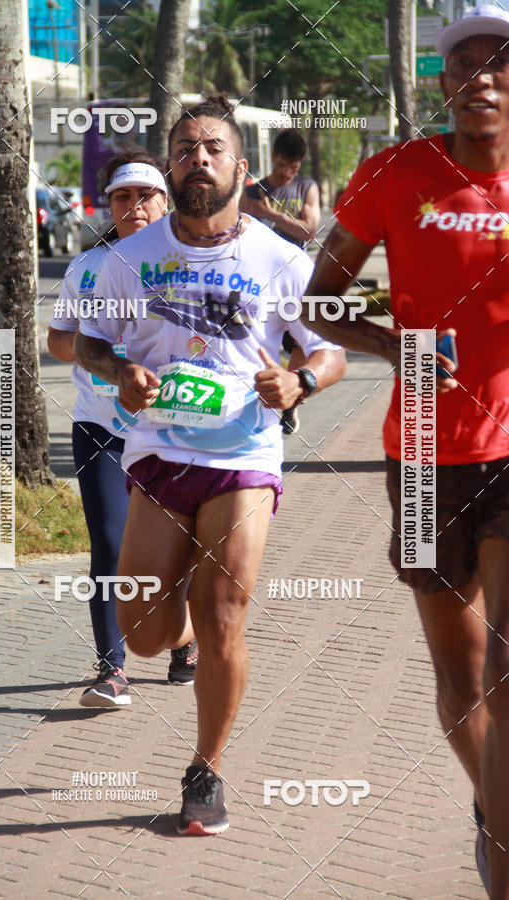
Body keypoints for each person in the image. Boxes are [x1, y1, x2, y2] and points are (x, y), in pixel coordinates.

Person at [76, 95, 346, 834]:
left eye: (214, 148)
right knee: (145, 633)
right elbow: (82, 342)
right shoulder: (130, 257)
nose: (200, 157)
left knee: (225, 610)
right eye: (187, 147)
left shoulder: (282, 259)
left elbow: (331, 349)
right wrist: (118, 371)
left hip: (245, 453)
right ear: (172, 164)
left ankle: (206, 772)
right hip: (159, 452)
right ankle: (179, 632)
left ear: (241, 167)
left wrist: (301, 381)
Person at [300, 7, 509, 895]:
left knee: (504, 671)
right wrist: (401, 347)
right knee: (461, 681)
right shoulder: (395, 174)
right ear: (443, 83)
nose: (483, 79)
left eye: (500, 62)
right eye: (464, 65)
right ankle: (492, 810)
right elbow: (321, 300)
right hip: (421, 451)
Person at [47, 148, 198, 709]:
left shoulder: (193, 261)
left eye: (146, 195)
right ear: (108, 205)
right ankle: (112, 669)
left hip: (176, 431)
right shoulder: (87, 268)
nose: (134, 205)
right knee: (109, 546)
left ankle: (182, 640)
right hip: (101, 427)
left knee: (178, 552)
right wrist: (97, 352)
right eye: (122, 196)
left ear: (166, 199)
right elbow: (59, 340)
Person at [239, 129, 321, 436]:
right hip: (258, 282)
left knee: (303, 343)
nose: (288, 173)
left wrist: (270, 213)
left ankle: (289, 401)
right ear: (274, 157)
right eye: (284, 165)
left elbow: (309, 230)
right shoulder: (252, 191)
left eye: (295, 167)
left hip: (296, 282)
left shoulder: (306, 186)